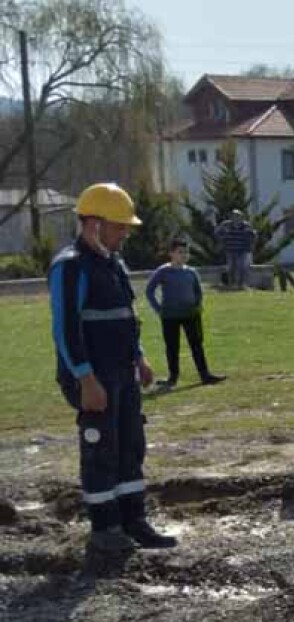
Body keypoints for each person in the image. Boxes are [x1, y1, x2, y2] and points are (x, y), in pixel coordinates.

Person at [48, 183, 177, 554]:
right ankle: (105, 529)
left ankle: (133, 521)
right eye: (119, 226)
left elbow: (125, 316)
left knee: (130, 445)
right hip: (93, 377)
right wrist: (85, 378)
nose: (124, 233)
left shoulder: (114, 263)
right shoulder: (70, 267)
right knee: (100, 448)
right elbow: (66, 329)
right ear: (93, 225)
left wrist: (139, 357)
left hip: (123, 371)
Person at [145, 239, 226, 388]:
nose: (184, 255)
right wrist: (159, 309)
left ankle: (205, 375)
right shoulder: (163, 271)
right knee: (172, 347)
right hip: (170, 316)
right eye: (180, 252)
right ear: (171, 253)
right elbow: (149, 291)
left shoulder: (191, 272)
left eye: (186, 252)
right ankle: (173, 377)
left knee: (196, 345)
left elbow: (198, 291)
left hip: (191, 314)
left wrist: (198, 305)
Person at [214, 209, 256, 289]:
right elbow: (217, 232)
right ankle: (232, 284)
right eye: (234, 216)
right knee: (231, 267)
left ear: (241, 218)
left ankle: (241, 284)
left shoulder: (246, 226)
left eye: (238, 216)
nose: (236, 218)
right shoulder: (226, 225)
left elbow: (253, 235)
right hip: (230, 250)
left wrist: (250, 243)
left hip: (242, 250)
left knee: (241, 267)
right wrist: (223, 237)